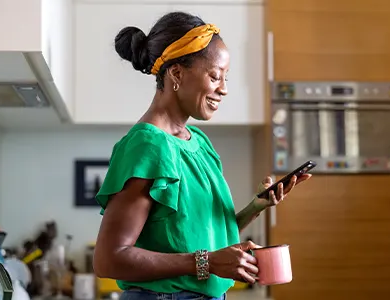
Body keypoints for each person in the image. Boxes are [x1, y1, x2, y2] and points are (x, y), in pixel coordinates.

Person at [93, 11, 312, 300]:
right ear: (177, 73)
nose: (224, 89)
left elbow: (198, 233)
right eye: (215, 76)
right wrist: (207, 262)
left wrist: (256, 206)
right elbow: (109, 259)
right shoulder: (146, 147)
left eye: (225, 78)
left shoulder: (199, 143)